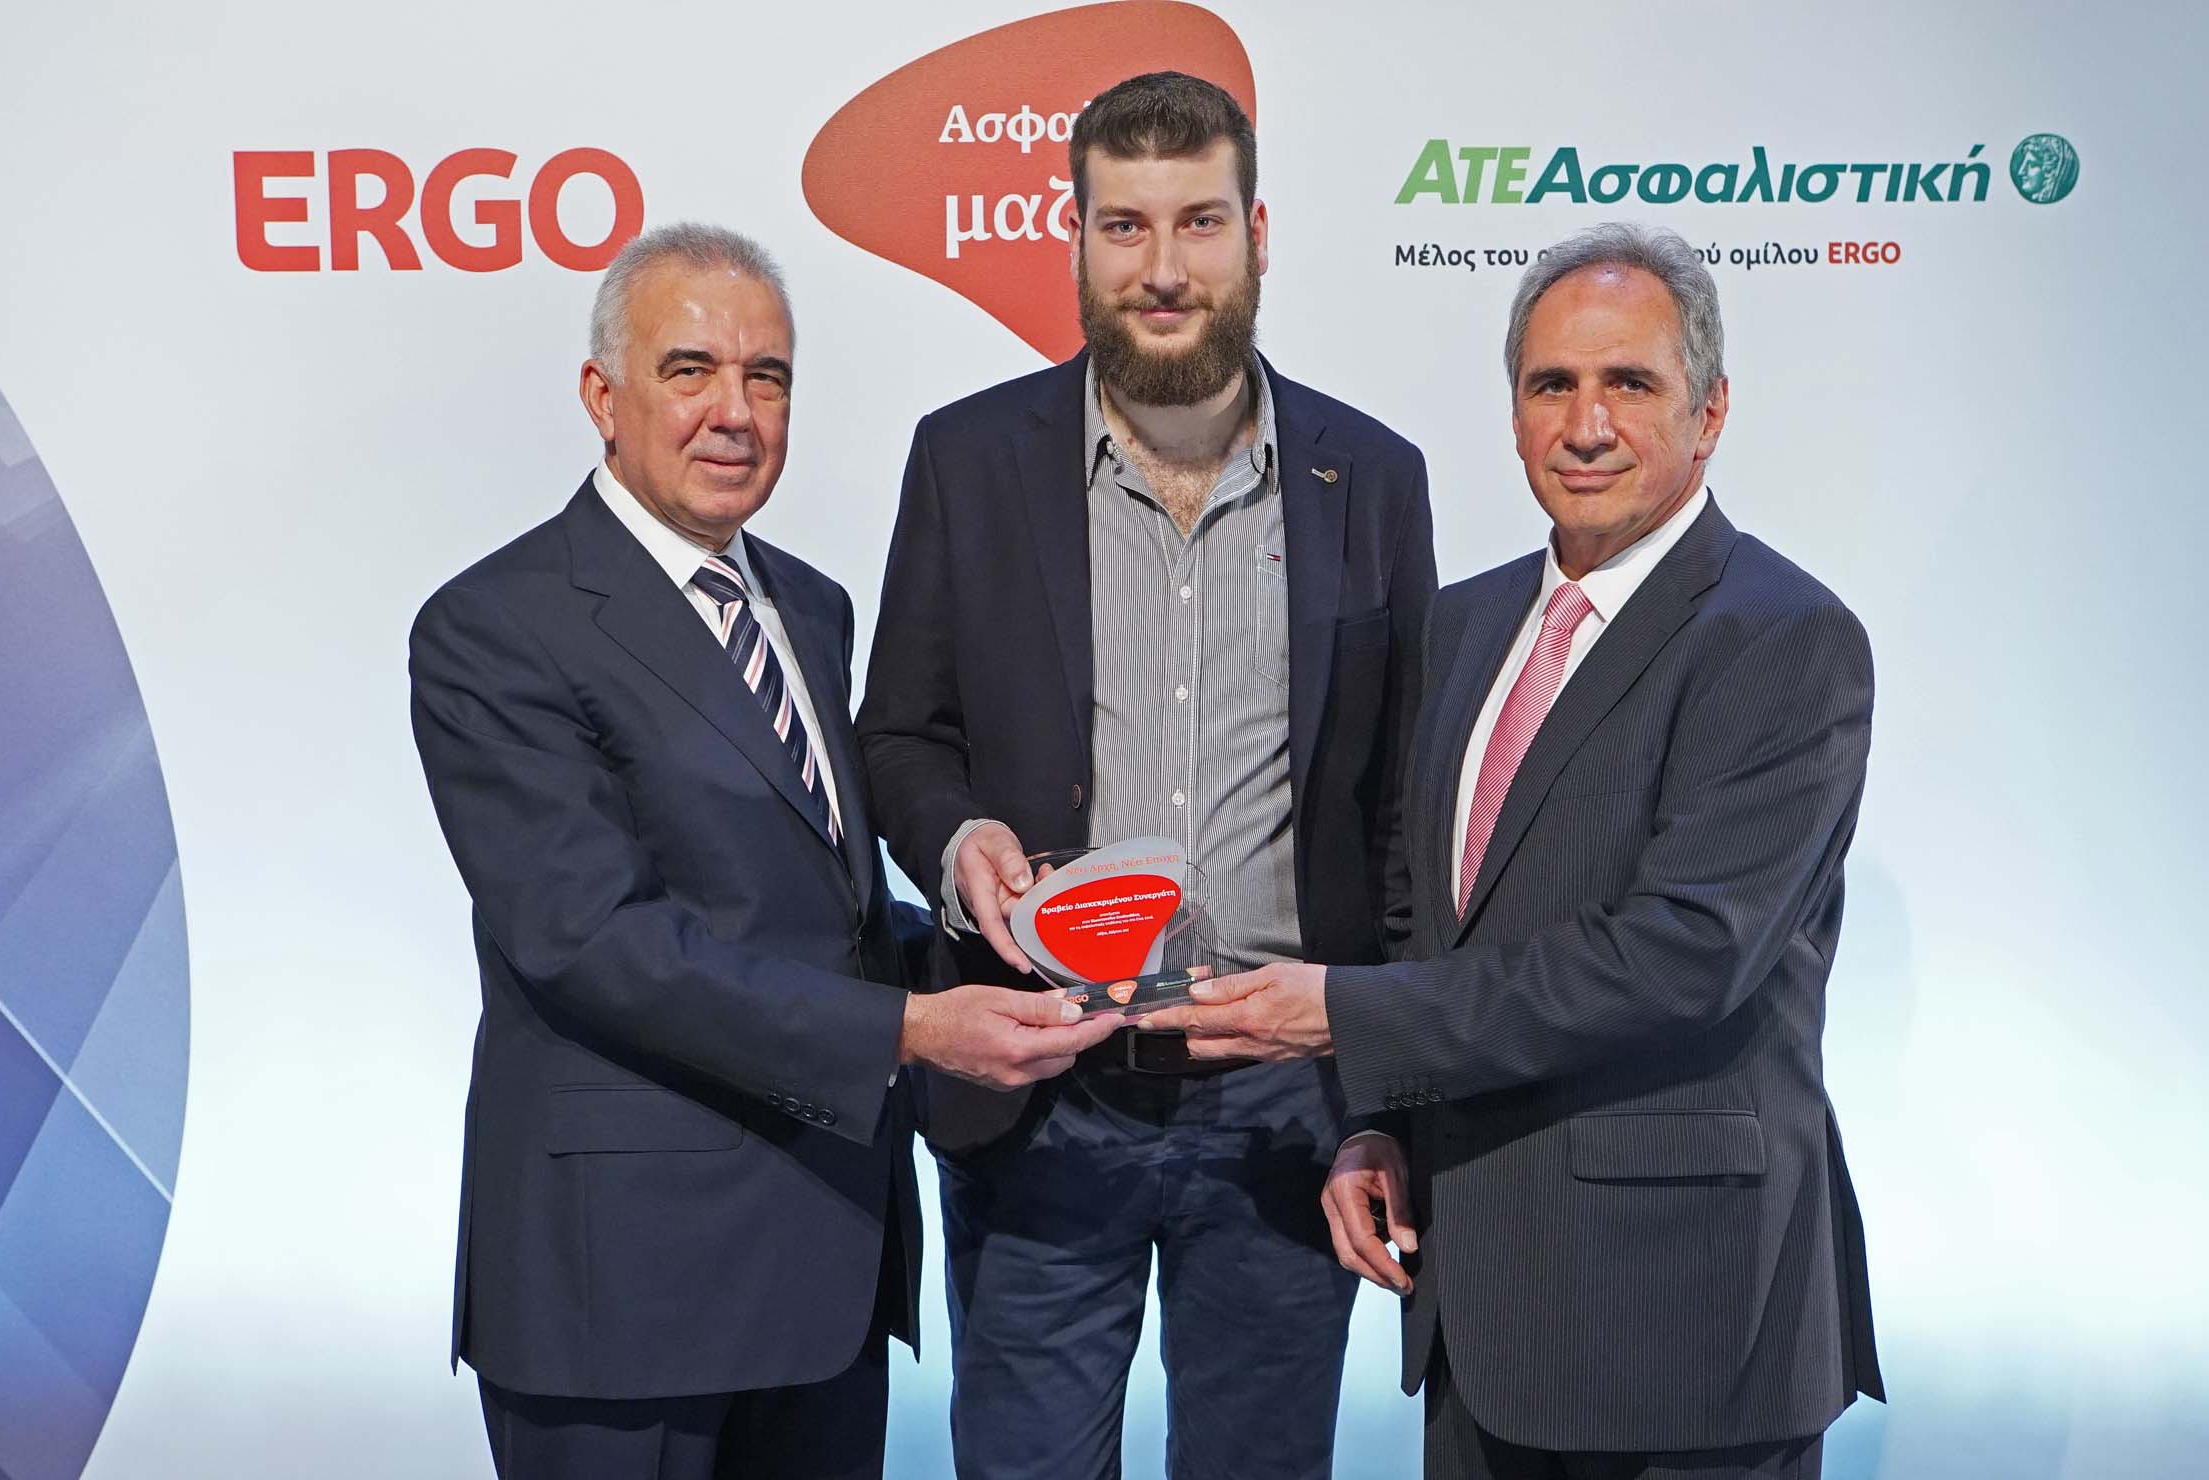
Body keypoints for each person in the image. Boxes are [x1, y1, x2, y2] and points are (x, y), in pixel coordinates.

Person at [1145, 222, 1885, 1479]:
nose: (1585, 425)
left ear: (1708, 412)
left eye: (1629, 383)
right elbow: (1421, 912)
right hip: (1475, 1307)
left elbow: (1679, 956)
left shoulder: (1782, 637)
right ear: (1513, 412)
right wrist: (1380, 1123)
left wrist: (1342, 1017)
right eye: (1553, 384)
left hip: (1684, 1325)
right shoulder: (1464, 622)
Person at [408, 222, 1120, 1480]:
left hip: (823, 1262)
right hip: (622, 1295)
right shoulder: (495, 626)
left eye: (767, 376)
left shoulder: (810, 605)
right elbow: (596, 943)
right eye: (689, 370)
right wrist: (910, 1030)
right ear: (603, 398)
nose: (734, 412)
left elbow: (810, 913)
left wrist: (1000, 933)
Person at [856, 72, 1437, 1480]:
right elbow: (900, 735)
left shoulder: (1372, 475)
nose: (1162, 268)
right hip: (1040, 1086)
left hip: (1281, 1102)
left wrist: (1380, 1096)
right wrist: (961, 842)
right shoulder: (966, 460)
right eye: (1124, 226)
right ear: (1075, 238)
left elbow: (1402, 813)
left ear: (1256, 234)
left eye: (1197, 223)